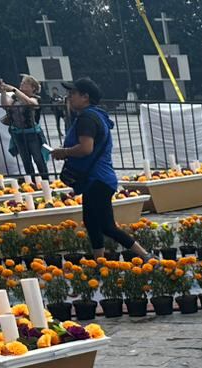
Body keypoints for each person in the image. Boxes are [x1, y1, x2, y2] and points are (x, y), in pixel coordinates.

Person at [49, 78, 149, 259]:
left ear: (85, 97)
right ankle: (99, 260)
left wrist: (63, 152)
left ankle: (145, 256)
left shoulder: (87, 118)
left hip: (98, 179)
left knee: (107, 226)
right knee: (91, 222)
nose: (68, 97)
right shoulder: (95, 115)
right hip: (96, 179)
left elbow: (86, 148)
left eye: (72, 94)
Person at [0, 74, 49, 181]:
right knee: (26, 160)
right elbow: (5, 106)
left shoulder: (36, 98)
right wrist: (3, 91)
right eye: (22, 82)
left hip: (32, 133)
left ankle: (45, 181)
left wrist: (14, 89)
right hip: (18, 134)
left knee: (38, 159)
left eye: (25, 83)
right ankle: (32, 182)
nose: (22, 84)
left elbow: (30, 103)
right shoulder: (15, 98)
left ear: (33, 88)